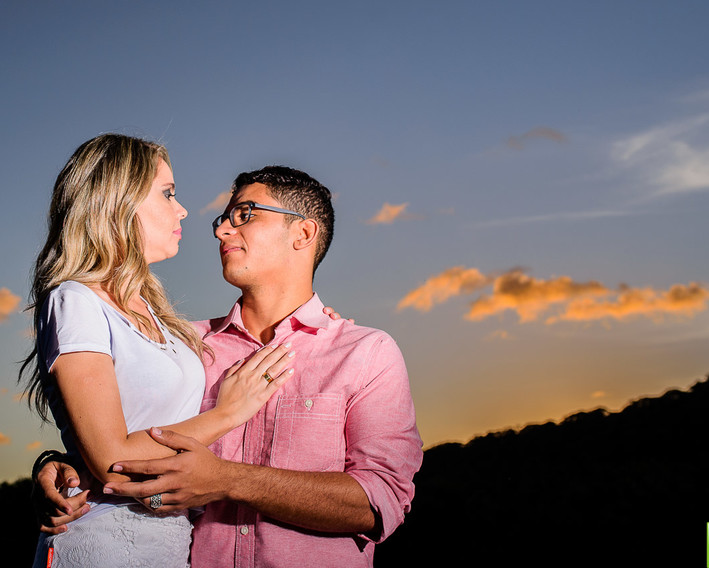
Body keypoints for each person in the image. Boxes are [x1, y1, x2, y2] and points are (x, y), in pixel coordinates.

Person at [38, 165, 422, 568]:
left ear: (303, 233)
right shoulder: (182, 348)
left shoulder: (366, 353)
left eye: (245, 215)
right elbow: (119, 443)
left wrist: (227, 479)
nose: (222, 231)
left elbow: (379, 502)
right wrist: (62, 466)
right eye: (223, 220)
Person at [20, 135, 299, 567]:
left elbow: (140, 416)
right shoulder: (74, 299)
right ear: (118, 202)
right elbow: (111, 457)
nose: (183, 208)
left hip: (172, 546)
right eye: (167, 193)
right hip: (104, 546)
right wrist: (228, 412)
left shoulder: (162, 318)